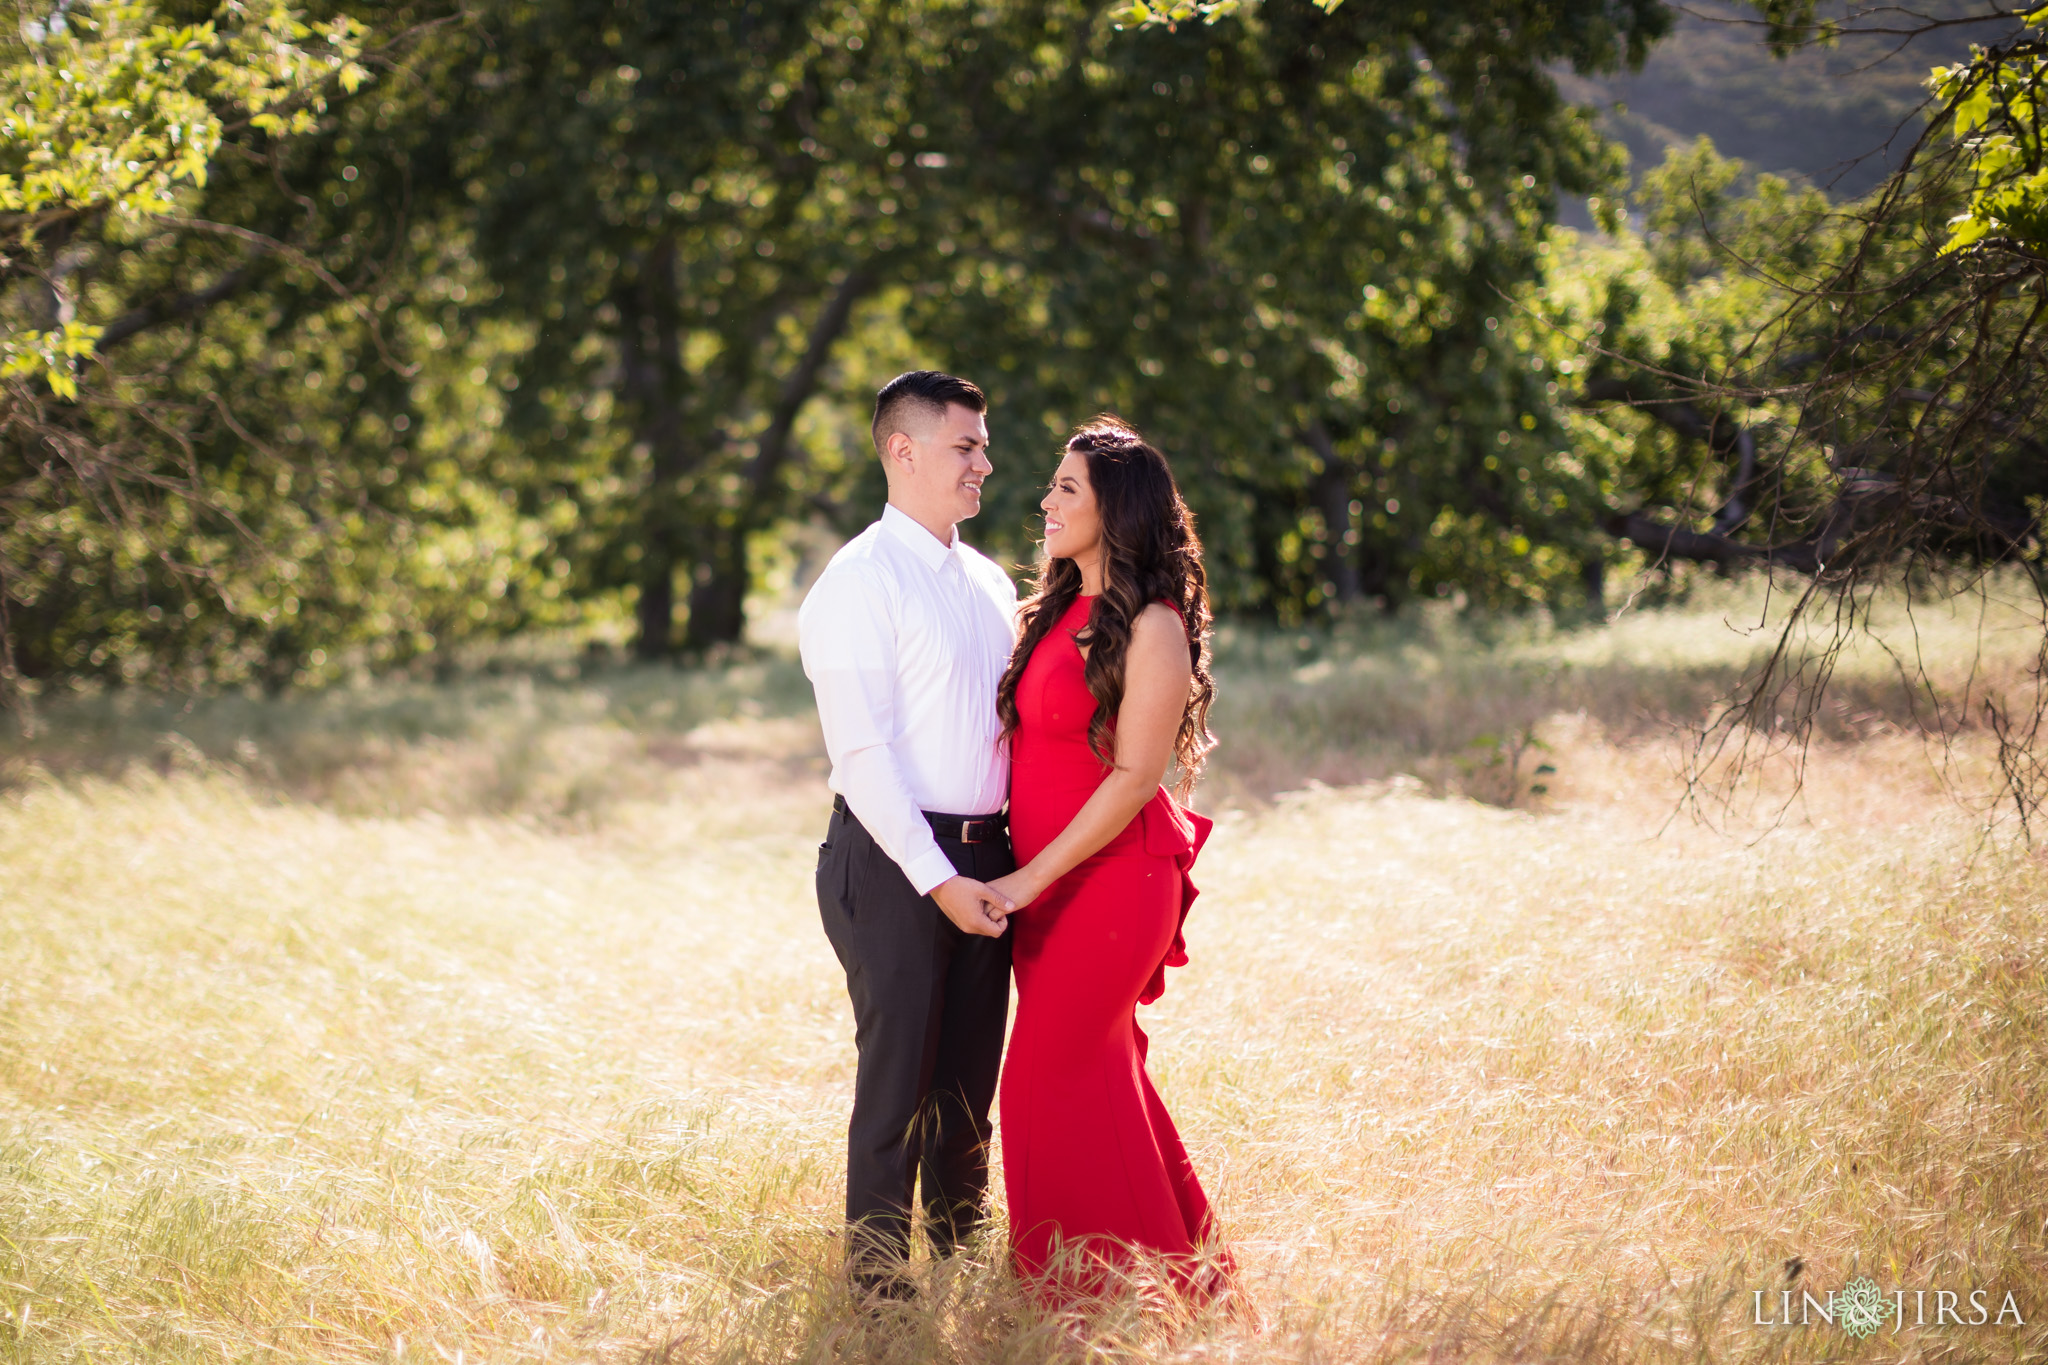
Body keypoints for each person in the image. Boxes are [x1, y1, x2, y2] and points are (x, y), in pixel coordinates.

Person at [988, 416, 1231, 1304]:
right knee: (1102, 1075)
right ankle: (1187, 1289)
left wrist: (1023, 879)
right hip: (1048, 885)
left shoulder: (1154, 626)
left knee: (1046, 1080)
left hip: (1112, 882)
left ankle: (1084, 1305)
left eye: (1065, 490)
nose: (1045, 502)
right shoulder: (1053, 611)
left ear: (1113, 511)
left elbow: (1134, 778)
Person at [797, 370, 1020, 1298]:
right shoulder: (854, 583)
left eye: (982, 445)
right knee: (897, 1085)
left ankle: (959, 1263)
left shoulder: (991, 582)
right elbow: (863, 756)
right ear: (904, 450)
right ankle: (879, 1295)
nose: (985, 462)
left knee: (968, 1088)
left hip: (989, 857)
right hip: (890, 857)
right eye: (966, 445)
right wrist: (938, 880)